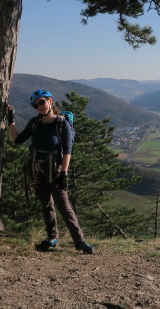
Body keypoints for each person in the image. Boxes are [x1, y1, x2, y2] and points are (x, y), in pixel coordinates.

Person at [7, 89, 95, 254]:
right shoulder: (35, 123)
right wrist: (11, 121)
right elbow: (18, 140)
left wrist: (64, 173)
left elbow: (68, 150)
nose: (39, 106)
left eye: (42, 102)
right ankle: (52, 238)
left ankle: (80, 241)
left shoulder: (62, 124)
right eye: (36, 104)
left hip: (55, 171)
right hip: (39, 170)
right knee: (46, 205)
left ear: (50, 101)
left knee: (64, 206)